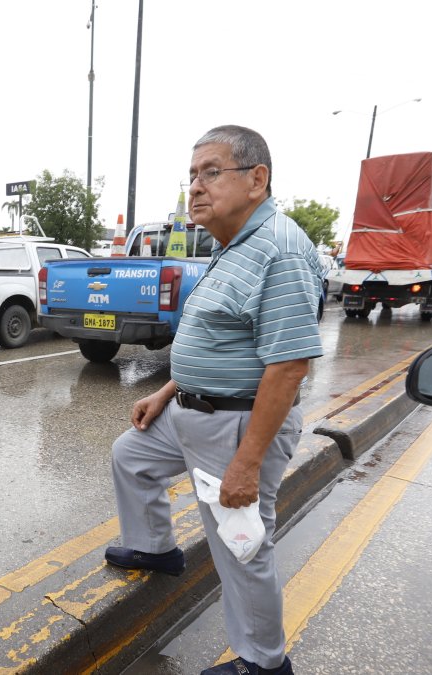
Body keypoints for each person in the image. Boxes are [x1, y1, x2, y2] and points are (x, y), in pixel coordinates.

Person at [103, 125, 323, 675]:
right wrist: (165, 390)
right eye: (192, 176)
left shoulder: (280, 250)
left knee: (241, 543)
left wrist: (247, 462)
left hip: (236, 426)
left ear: (257, 179)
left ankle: (262, 662)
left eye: (211, 172)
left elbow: (289, 364)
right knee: (131, 456)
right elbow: (221, 339)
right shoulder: (233, 247)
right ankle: (155, 548)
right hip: (189, 410)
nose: (196, 188)